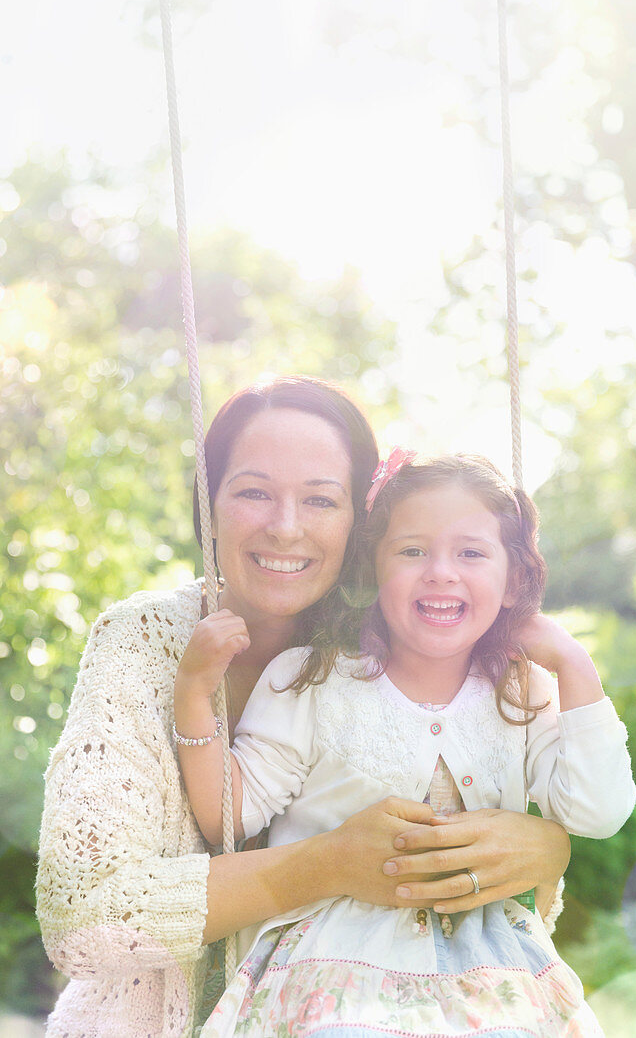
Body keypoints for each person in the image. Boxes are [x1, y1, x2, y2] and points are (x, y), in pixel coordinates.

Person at [36, 379, 572, 1038]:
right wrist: (322, 866)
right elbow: (83, 919)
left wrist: (546, 851)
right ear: (209, 505)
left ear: (362, 522)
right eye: (253, 492)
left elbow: (498, 926)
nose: (285, 527)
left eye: (320, 499)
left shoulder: (403, 652)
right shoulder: (142, 642)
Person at [176, 450, 636, 1037]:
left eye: (471, 552)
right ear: (373, 568)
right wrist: (195, 690)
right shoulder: (311, 679)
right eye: (412, 550)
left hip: (489, 975)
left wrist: (573, 663)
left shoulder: (524, 694)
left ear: (514, 577)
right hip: (337, 969)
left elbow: (598, 813)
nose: (441, 571)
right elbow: (228, 816)